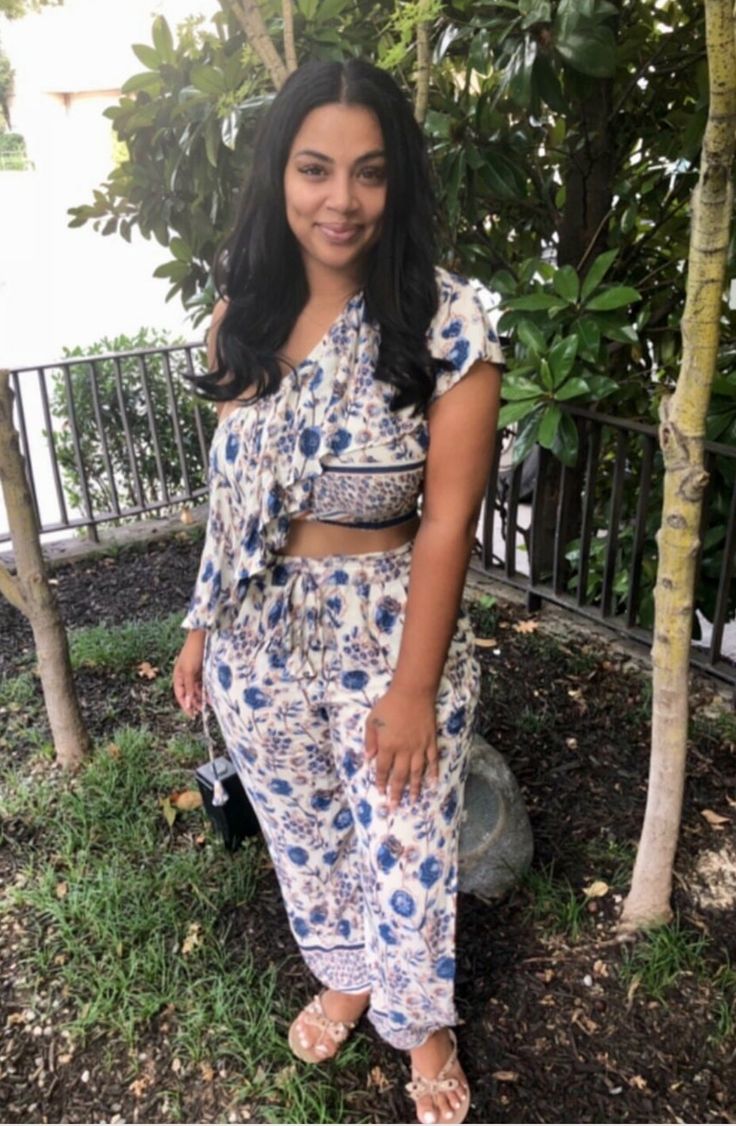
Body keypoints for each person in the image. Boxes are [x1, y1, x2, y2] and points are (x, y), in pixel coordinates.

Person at [173, 57, 503, 1126]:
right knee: (304, 834)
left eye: (367, 172)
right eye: (315, 169)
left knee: (403, 843)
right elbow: (230, 495)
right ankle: (347, 971)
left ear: (396, 179)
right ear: (280, 174)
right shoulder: (244, 319)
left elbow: (448, 518)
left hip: (386, 631)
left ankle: (422, 1023)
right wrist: (198, 626)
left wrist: (411, 689)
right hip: (255, 636)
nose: (340, 199)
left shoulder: (446, 321)